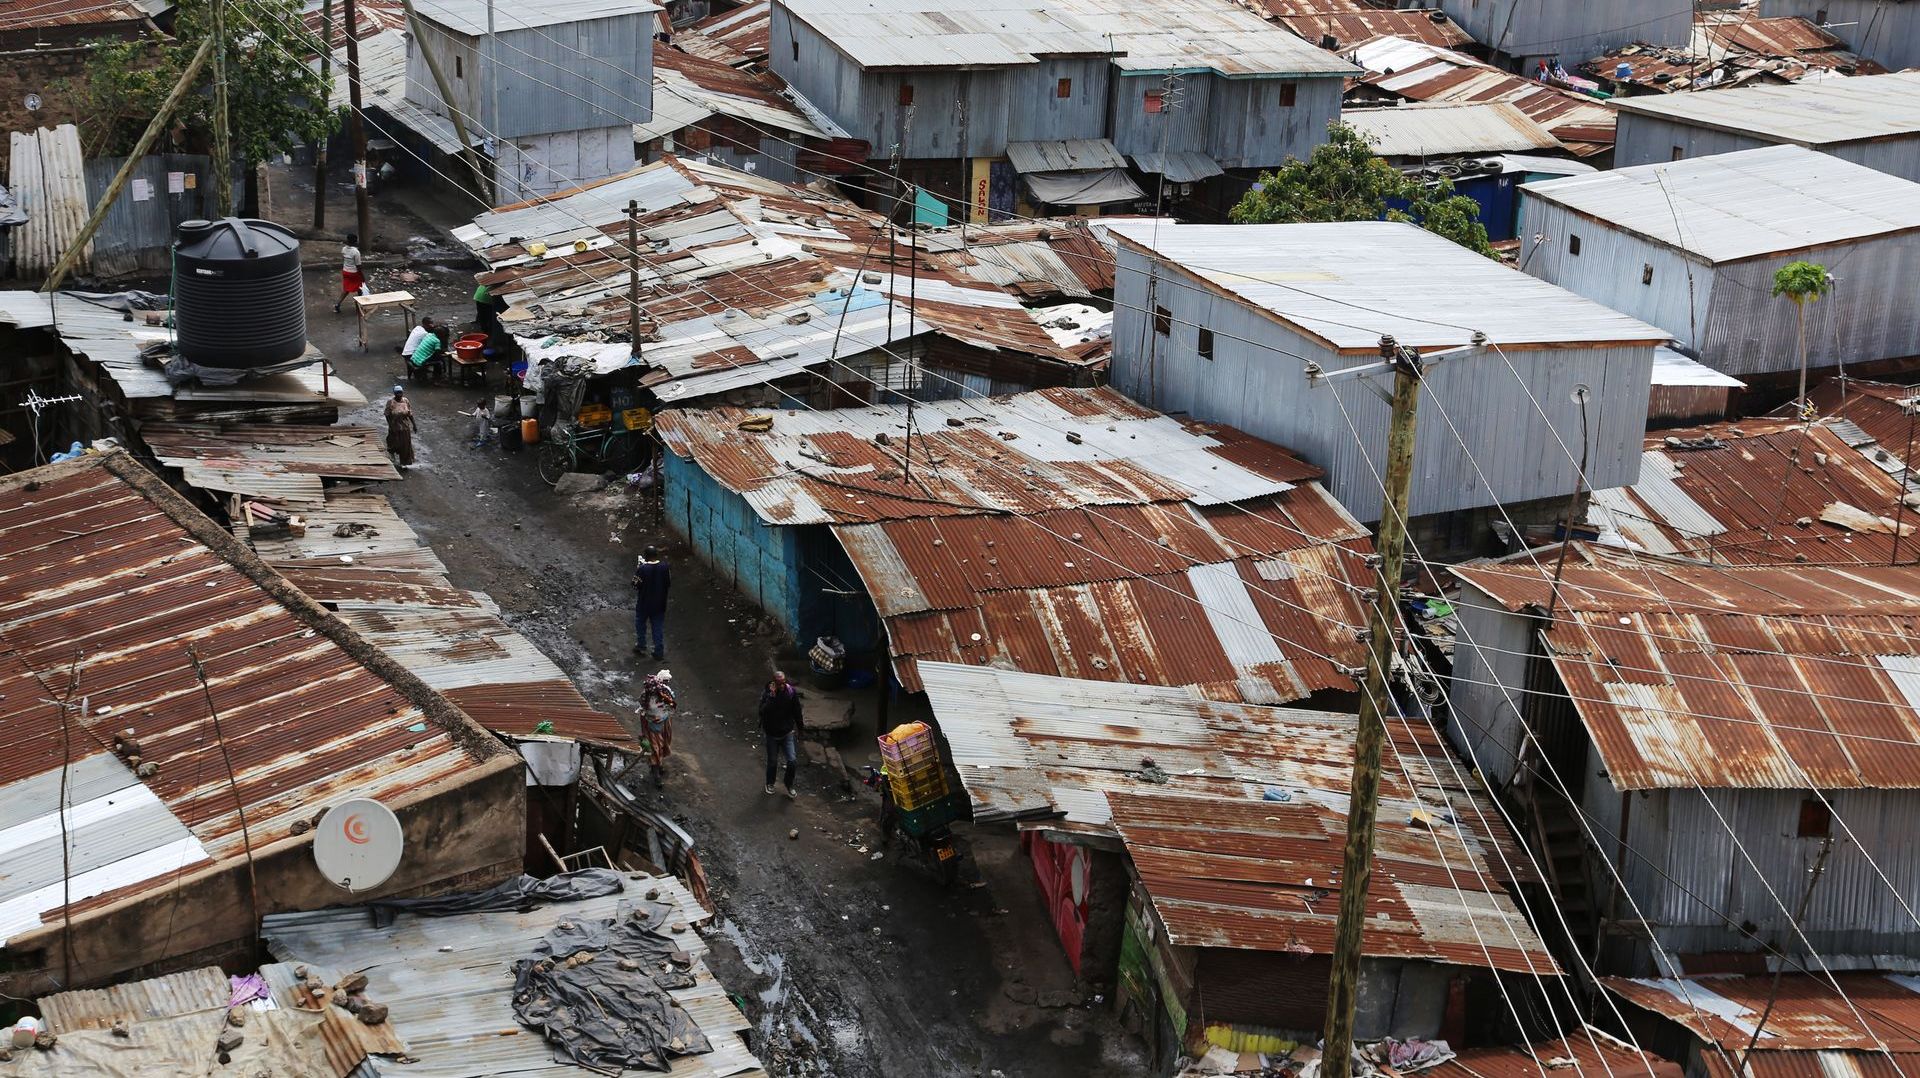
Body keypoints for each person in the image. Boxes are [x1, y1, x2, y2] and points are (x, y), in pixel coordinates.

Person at [758, 671, 803, 798]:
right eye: (779, 684)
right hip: (771, 734)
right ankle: (770, 783)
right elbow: (762, 711)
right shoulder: (767, 694)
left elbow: (797, 711)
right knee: (772, 762)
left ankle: (789, 784)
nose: (782, 686)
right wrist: (771, 697)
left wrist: (800, 729)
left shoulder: (790, 692)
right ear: (774, 683)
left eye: (784, 683)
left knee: (792, 761)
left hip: (787, 733)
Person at [640, 668, 676, 788]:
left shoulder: (649, 694)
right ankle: (656, 776)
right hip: (654, 725)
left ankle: (658, 767)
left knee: (660, 745)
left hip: (659, 722)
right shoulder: (659, 694)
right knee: (655, 748)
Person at [633, 546, 670, 659]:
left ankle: (641, 645)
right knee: (657, 627)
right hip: (659, 603)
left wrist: (638, 568)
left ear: (646, 556)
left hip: (644, 603)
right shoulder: (665, 567)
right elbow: (668, 583)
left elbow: (635, 585)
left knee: (640, 624)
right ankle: (658, 652)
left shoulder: (643, 569)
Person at [384, 385, 415, 468]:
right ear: (394, 393)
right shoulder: (390, 402)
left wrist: (414, 425)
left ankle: (404, 463)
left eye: (400, 392)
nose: (399, 394)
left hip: (405, 427)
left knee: (405, 446)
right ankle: (392, 455)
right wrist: (390, 425)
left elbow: (410, 414)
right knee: (393, 443)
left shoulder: (406, 401)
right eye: (397, 393)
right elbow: (387, 415)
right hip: (394, 427)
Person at [334, 232, 363, 314]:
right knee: (359, 288)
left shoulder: (344, 249)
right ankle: (359, 306)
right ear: (355, 242)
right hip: (354, 273)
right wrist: (361, 275)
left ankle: (337, 304)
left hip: (345, 271)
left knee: (346, 289)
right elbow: (358, 266)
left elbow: (343, 259)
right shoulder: (356, 252)